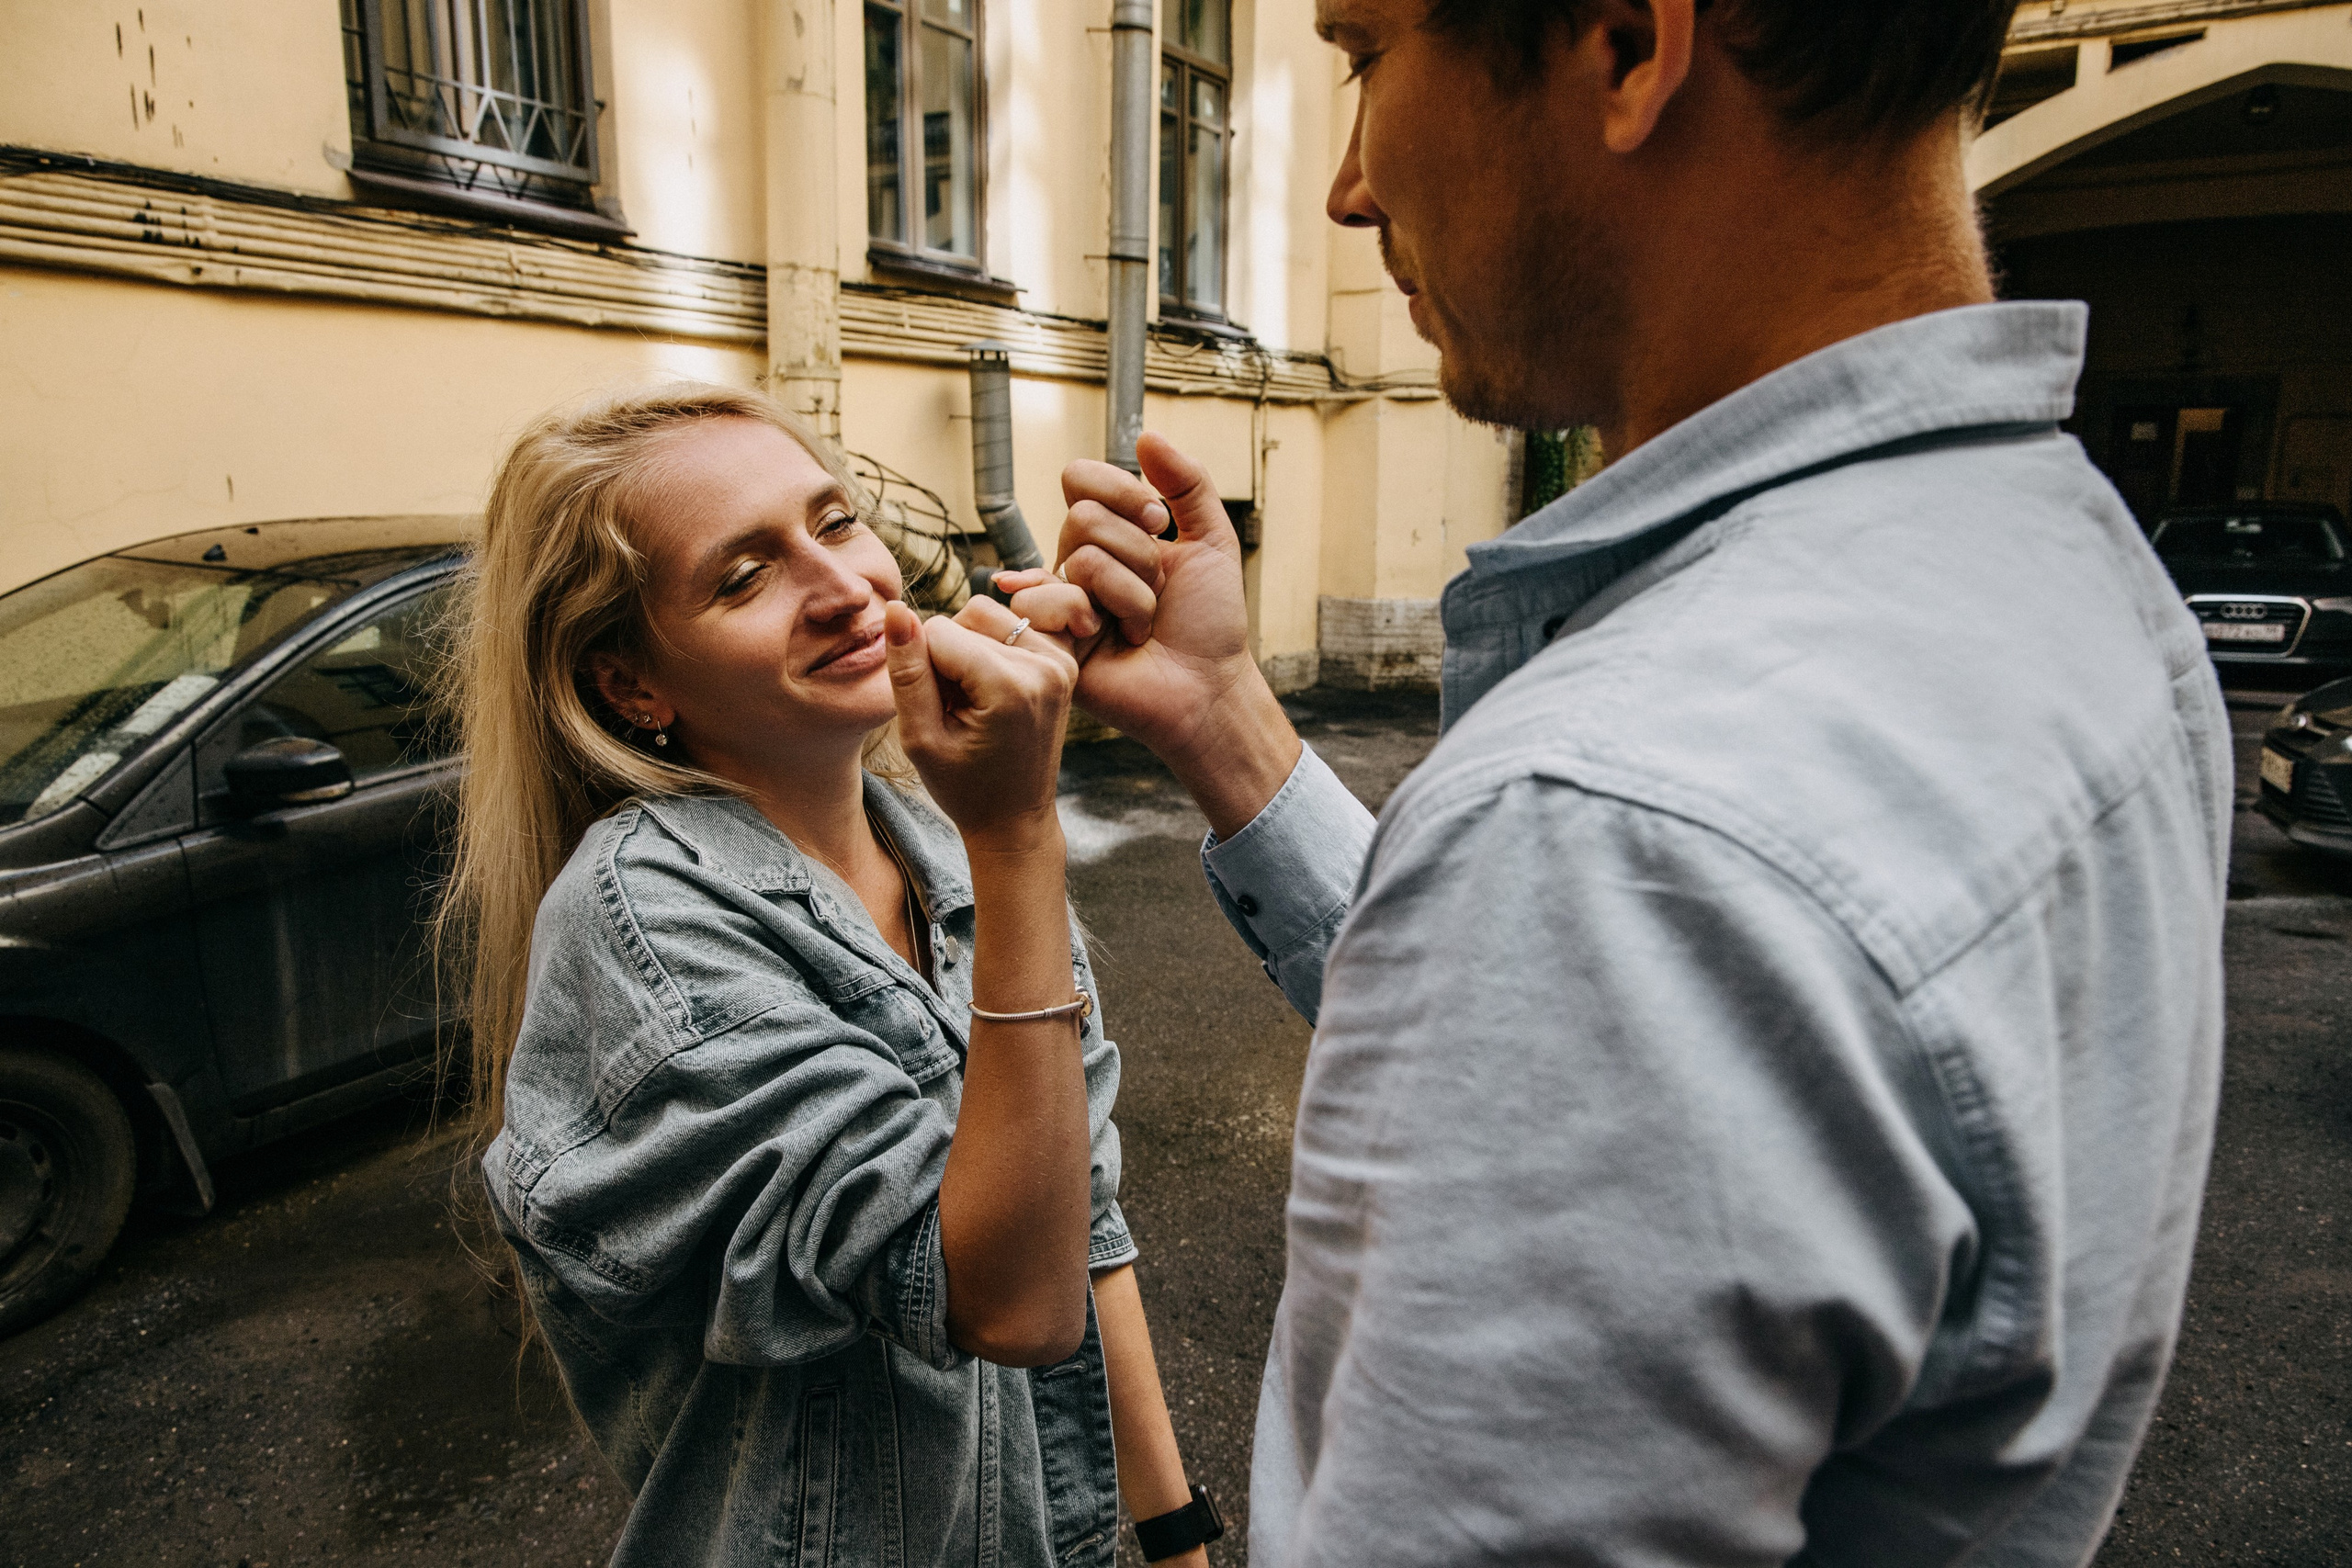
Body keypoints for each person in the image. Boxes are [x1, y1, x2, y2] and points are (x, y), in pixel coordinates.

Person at [1007, 1, 2231, 1563]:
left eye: (1366, 56)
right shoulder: (2077, 573)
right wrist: (1227, 718)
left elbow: (1607, 909)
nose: (1349, 187)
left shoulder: (1613, 826)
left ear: (1626, 45)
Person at [439, 385, 1217, 1568]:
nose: (847, 585)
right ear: (632, 686)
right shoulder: (645, 924)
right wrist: (1022, 837)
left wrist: (1174, 1540)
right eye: (744, 575)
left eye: (838, 520)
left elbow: (1085, 1232)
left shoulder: (947, 850)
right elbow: (1008, 1301)